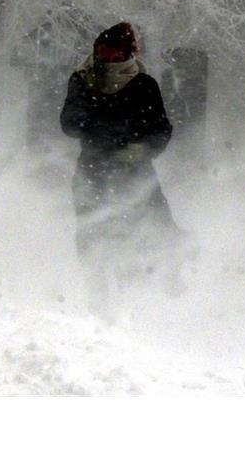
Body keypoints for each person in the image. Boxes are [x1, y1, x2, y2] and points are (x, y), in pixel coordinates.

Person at [60, 22, 187, 306]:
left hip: (135, 171)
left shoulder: (144, 85)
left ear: (128, 54)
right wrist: (92, 101)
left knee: (150, 228)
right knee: (92, 231)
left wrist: (142, 148)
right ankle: (98, 295)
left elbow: (161, 130)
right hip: (92, 170)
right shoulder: (82, 80)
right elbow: (69, 125)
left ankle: (152, 289)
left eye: (115, 53)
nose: (108, 59)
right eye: (103, 52)